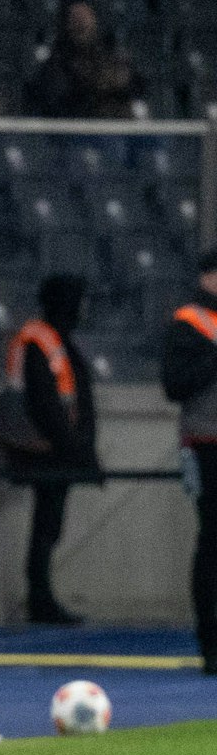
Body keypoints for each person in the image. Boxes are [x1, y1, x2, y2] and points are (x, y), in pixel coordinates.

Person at [0, 275, 98, 625]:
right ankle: (40, 599)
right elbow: (44, 403)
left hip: (56, 447)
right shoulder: (41, 339)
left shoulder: (55, 338)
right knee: (46, 523)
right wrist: (74, 447)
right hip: (44, 449)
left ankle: (43, 596)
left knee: (49, 523)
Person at [161, 249, 217, 674]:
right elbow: (175, 385)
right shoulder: (191, 324)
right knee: (212, 540)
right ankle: (211, 645)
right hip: (207, 444)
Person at [26, 0, 139, 120]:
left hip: (110, 125)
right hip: (74, 126)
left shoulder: (109, 53)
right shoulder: (57, 59)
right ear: (67, 23)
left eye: (85, 17)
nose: (81, 23)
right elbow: (59, 94)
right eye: (76, 18)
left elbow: (129, 85)